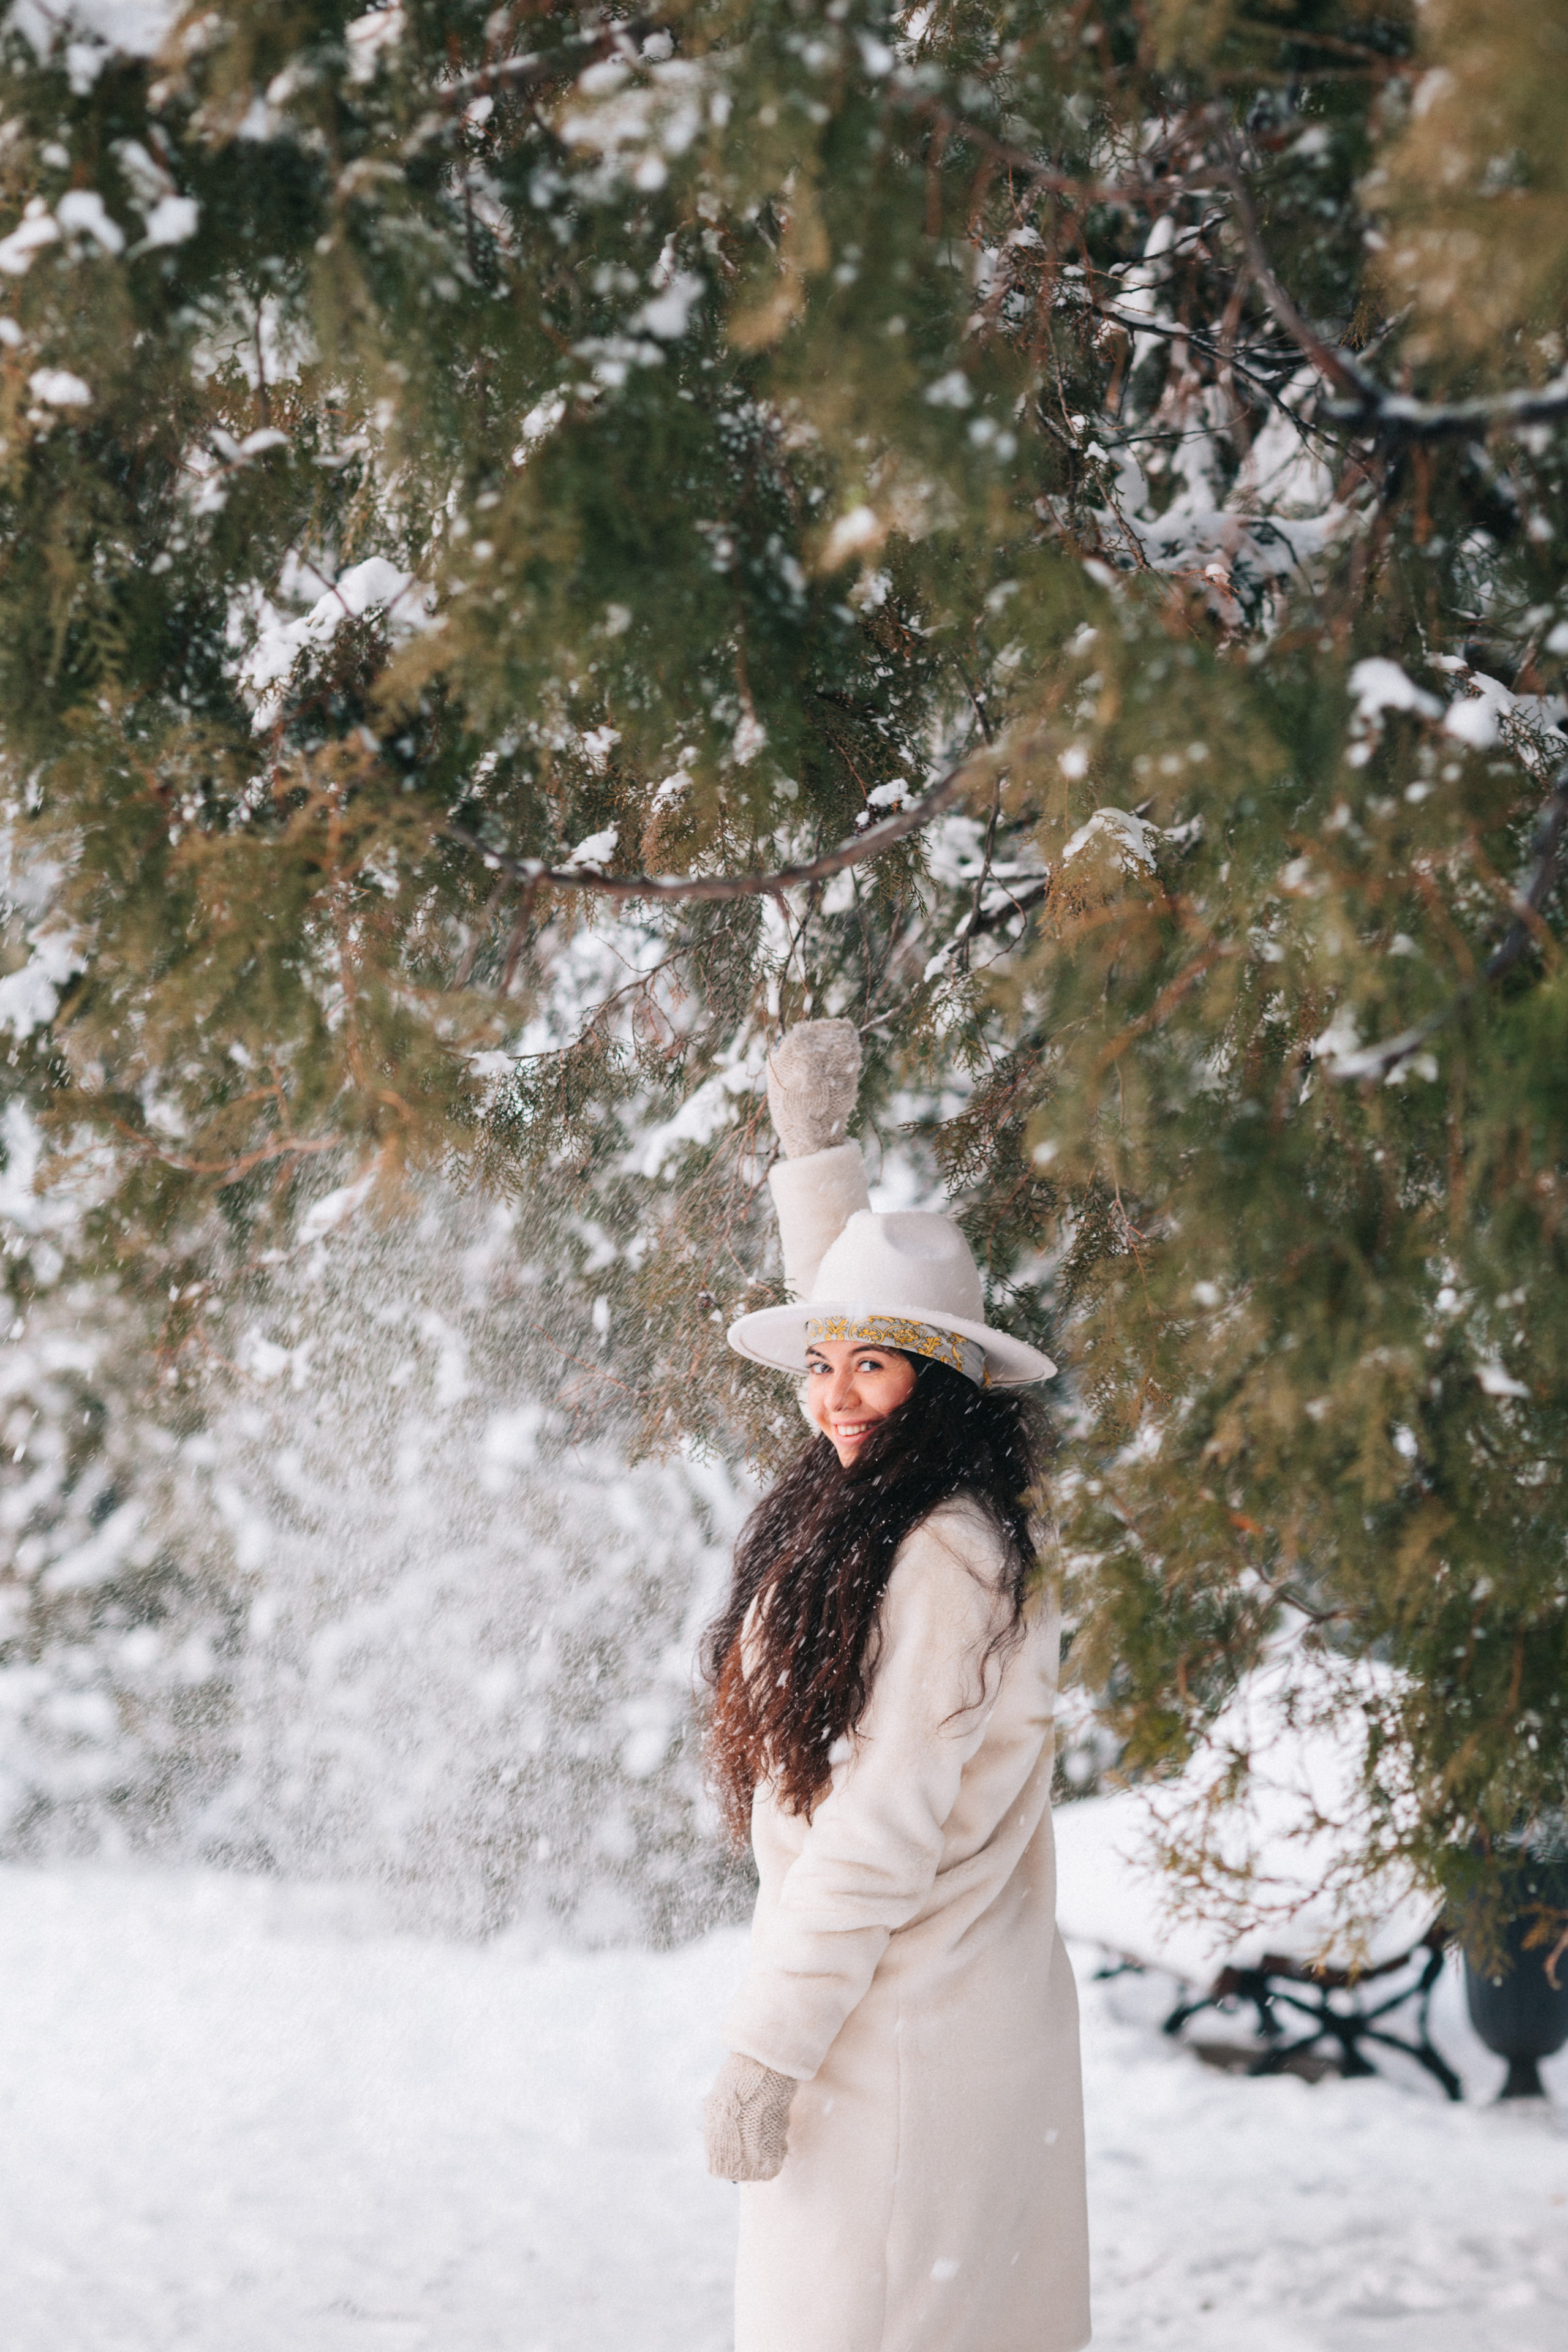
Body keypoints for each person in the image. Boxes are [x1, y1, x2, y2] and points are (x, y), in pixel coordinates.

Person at [700, 1020, 1091, 2352]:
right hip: (904, 2013)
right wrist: (814, 1156)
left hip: (903, 2038)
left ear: (940, 1386)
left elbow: (876, 1833)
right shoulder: (892, 1501)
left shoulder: (941, 1556)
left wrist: (766, 2049)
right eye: (818, 1364)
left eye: (870, 1368)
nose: (833, 1396)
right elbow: (859, 1310)